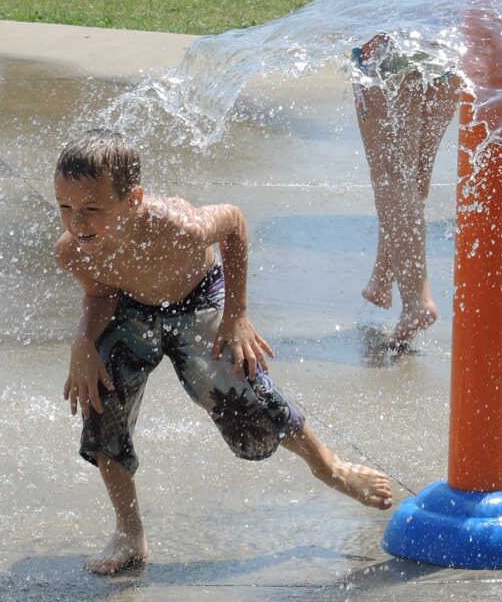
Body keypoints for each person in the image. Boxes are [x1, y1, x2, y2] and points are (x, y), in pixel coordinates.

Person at [54, 130, 394, 576]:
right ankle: (129, 530)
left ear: (134, 199)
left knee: (245, 391)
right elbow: (100, 295)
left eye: (91, 209)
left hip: (197, 298)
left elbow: (233, 222)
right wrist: (83, 342)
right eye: (64, 207)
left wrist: (237, 315)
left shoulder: (178, 226)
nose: (77, 222)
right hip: (130, 309)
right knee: (101, 401)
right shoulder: (73, 252)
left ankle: (329, 466)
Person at [333, 0, 462, 347]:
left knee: (392, 176)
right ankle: (383, 274)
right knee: (416, 169)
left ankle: (416, 301)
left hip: (385, 30)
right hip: (450, 29)